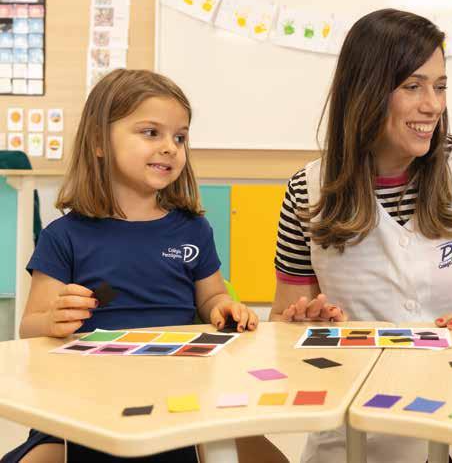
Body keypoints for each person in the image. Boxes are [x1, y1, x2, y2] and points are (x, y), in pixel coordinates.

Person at [269, 8, 452, 462]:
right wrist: (303, 325)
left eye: (440, 87)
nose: (433, 105)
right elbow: (283, 323)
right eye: (413, 87)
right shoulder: (308, 189)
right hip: (356, 434)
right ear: (366, 91)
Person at [2, 69, 264, 463]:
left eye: (180, 137)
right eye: (151, 132)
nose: (170, 148)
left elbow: (211, 296)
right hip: (79, 408)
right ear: (98, 142)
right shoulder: (64, 236)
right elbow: (30, 326)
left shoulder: (193, 229)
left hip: (179, 401)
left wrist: (223, 307)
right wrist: (53, 320)